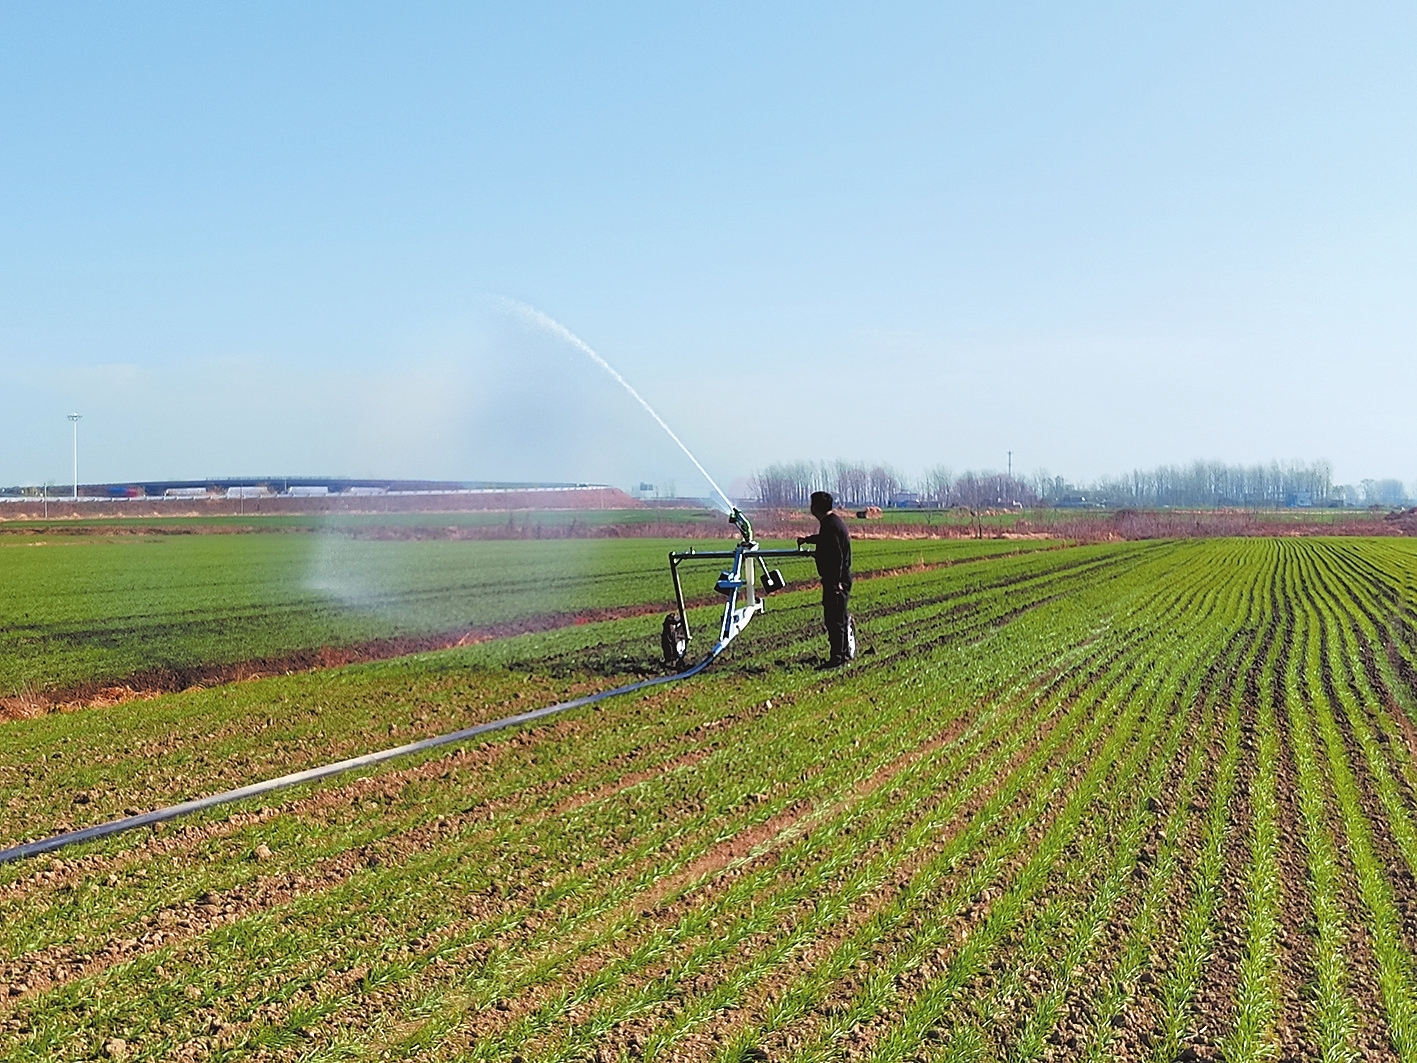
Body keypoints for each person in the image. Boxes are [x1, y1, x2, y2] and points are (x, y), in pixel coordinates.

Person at [797, 491, 854, 666]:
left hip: (836, 581)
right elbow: (825, 541)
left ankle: (837, 658)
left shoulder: (830, 525)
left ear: (816, 508)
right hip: (838, 579)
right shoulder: (831, 523)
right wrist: (808, 540)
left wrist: (836, 582)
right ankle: (842, 656)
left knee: (835, 620)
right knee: (839, 619)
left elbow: (837, 556)